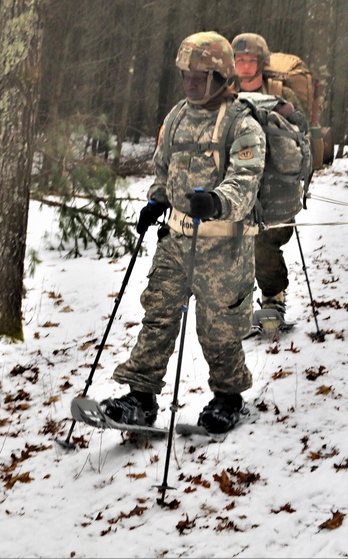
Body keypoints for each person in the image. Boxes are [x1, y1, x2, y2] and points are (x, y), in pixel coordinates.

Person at [100, 32, 264, 434]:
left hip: (223, 246)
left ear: (220, 76)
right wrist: (157, 201)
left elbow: (245, 183)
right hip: (176, 241)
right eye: (186, 75)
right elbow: (164, 169)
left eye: (199, 76)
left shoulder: (242, 125)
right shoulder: (176, 116)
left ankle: (227, 396)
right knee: (158, 314)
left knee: (219, 330)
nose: (190, 83)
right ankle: (140, 396)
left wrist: (216, 201)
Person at [231, 32, 311, 328]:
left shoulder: (283, 94)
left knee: (264, 246)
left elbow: (300, 135)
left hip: (275, 187)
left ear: (262, 63)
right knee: (232, 245)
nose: (245, 66)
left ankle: (273, 297)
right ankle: (235, 302)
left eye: (251, 60)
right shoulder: (222, 93)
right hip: (235, 183)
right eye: (240, 60)